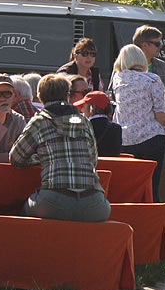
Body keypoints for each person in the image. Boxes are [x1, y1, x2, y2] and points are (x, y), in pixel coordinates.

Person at [10, 73, 111, 222]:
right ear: (67, 96)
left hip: (53, 202)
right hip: (95, 204)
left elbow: (16, 159)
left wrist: (40, 158)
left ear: (40, 97)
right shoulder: (83, 121)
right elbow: (93, 160)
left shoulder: (39, 122)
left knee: (22, 214)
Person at [131, 26, 165, 229]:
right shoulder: (125, 67)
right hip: (132, 136)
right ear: (144, 44)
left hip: (159, 133)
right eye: (157, 44)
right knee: (134, 182)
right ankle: (137, 225)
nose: (161, 48)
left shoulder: (162, 67)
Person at [110, 44, 165, 200]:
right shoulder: (153, 80)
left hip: (125, 140)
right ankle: (152, 221)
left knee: (129, 188)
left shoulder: (118, 78)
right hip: (150, 138)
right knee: (152, 187)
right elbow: (160, 114)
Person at [78, 89, 123, 157]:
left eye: (83, 106)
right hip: (111, 167)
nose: (81, 110)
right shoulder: (117, 129)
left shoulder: (82, 127)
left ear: (91, 107)